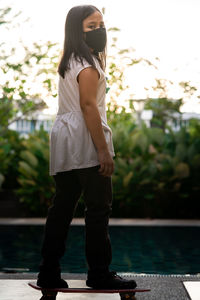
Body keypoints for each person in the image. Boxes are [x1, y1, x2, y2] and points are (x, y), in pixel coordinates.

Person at [37, 5, 137, 290]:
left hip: (64, 138)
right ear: (76, 30)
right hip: (84, 138)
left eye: (100, 25)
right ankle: (99, 273)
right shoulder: (88, 65)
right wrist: (102, 149)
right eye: (91, 26)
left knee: (62, 208)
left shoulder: (69, 60)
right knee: (98, 208)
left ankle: (48, 271)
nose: (99, 31)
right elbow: (88, 106)